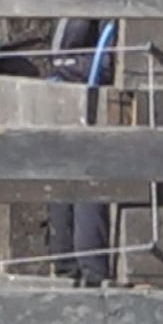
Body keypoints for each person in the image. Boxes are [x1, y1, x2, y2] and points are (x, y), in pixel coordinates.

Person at [45, 18, 115, 287]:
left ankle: (74, 268)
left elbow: (63, 58)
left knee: (79, 176)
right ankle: (84, 270)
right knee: (85, 177)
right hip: (84, 95)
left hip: (83, 93)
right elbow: (63, 58)